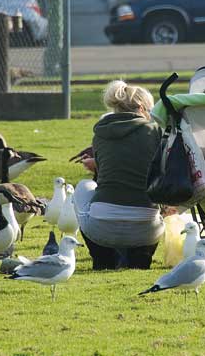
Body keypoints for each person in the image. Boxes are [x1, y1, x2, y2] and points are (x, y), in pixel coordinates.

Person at [74, 80, 164, 270]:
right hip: (146, 228)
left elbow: (108, 168)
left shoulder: (100, 133)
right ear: (141, 108)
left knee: (83, 187)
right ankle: (141, 256)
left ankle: (103, 258)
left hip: (102, 227)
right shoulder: (155, 131)